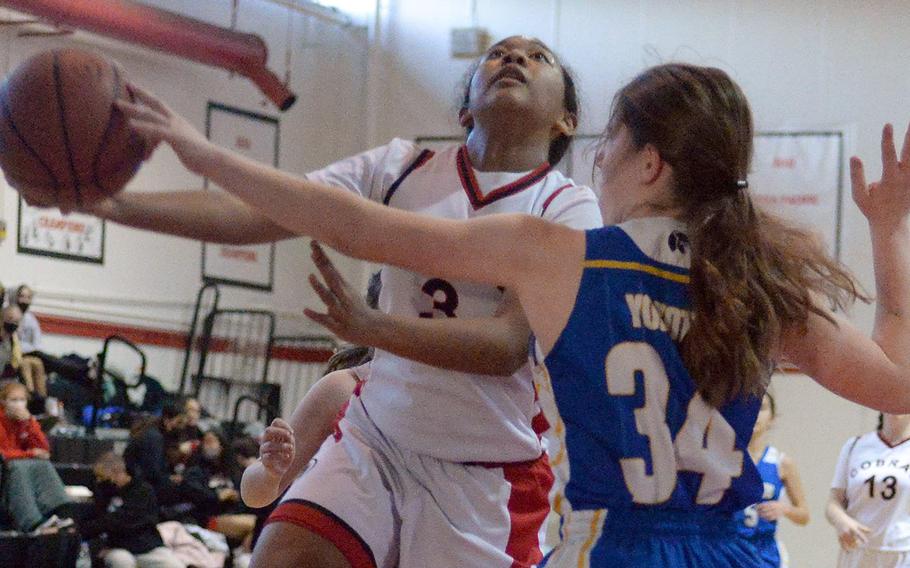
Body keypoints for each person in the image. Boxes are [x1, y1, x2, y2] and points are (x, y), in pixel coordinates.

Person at [110, 59, 910, 568]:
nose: (599, 161)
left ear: (650, 162)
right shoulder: (757, 285)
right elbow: (899, 385)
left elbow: (353, 225)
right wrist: (886, 234)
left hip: (610, 547)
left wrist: (201, 148)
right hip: (735, 553)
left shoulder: (562, 250)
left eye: (610, 144)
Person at [91, 35, 602, 568]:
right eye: (497, 54)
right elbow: (263, 210)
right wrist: (110, 204)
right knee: (285, 556)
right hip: (376, 440)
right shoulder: (401, 166)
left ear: (566, 121)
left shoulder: (569, 207)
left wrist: (374, 328)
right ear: (465, 107)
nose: (514, 58)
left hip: (487, 472)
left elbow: (505, 345)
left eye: (538, 57)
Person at [826, 412, 910, 567]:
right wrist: (841, 520)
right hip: (858, 551)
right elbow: (833, 502)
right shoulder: (855, 445)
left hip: (902, 553)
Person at [735, 393, 809, 567]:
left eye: (761, 408)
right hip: (731, 546)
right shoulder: (726, 459)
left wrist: (784, 509)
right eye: (749, 406)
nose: (755, 413)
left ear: (772, 417)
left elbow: (804, 515)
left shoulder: (781, 463)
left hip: (765, 552)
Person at [81, 451, 186, 568]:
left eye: (103, 477)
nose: (99, 481)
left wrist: (109, 524)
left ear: (117, 472)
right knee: (122, 562)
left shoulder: (142, 491)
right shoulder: (103, 492)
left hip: (145, 547)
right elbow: (97, 522)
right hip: (115, 548)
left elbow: (127, 521)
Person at [0, 381, 71, 532]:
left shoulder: (24, 421)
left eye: (22, 399)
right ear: (3, 401)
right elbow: (3, 453)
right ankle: (31, 521)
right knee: (18, 467)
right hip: (6, 465)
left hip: (18, 464)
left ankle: (61, 511)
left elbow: (43, 449)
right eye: (14, 400)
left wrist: (29, 422)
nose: (19, 404)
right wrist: (29, 453)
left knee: (42, 464)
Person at [123, 402, 185, 506]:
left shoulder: (151, 431)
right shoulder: (154, 438)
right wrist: (169, 478)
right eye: (178, 422)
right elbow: (152, 472)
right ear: (167, 420)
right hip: (140, 486)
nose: (180, 426)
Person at [0, 304, 46, 396]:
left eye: (17, 321)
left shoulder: (13, 340)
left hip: (10, 381)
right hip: (4, 383)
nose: (13, 323)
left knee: (37, 362)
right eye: (10, 319)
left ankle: (39, 398)